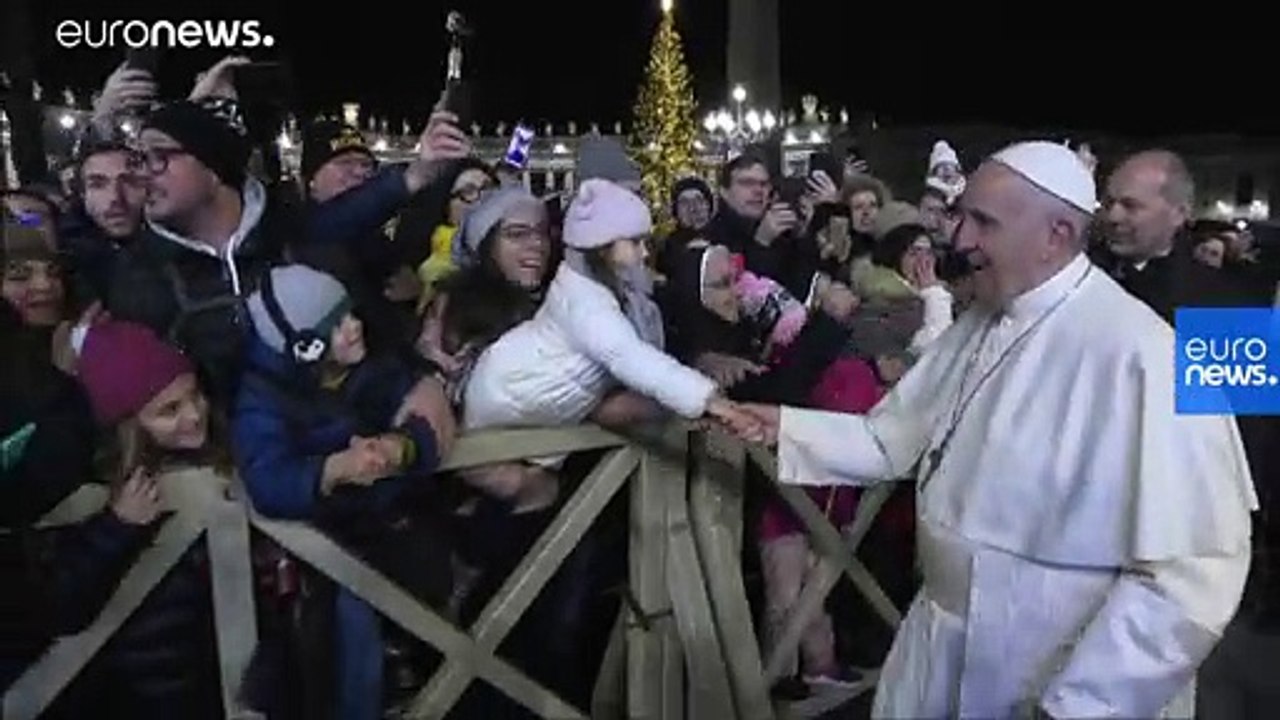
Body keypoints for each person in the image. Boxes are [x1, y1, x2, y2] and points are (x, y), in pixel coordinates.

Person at [721, 141, 1257, 718]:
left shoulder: (1170, 340)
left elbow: (1193, 566)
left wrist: (1086, 704)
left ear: (1056, 235)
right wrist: (782, 426)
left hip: (1055, 666)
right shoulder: (985, 318)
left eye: (983, 222)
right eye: (961, 216)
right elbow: (892, 438)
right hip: (940, 637)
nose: (961, 239)